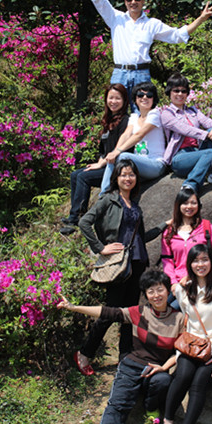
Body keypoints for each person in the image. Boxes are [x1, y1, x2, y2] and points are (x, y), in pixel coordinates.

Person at [58, 270, 185, 424]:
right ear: (145, 295)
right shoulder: (139, 312)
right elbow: (108, 312)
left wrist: (164, 367)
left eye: (160, 290)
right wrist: (73, 307)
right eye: (151, 291)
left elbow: (180, 351)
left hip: (155, 370)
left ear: (168, 291)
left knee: (163, 381)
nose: (156, 295)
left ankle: (150, 405)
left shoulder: (179, 318)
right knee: (118, 405)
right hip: (132, 365)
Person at [91, 0, 212, 110]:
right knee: (115, 114)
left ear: (143, 1)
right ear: (125, 1)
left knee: (143, 115)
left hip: (141, 75)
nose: (133, 2)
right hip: (119, 73)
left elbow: (177, 35)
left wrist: (201, 19)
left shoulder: (152, 24)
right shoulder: (116, 18)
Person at [75, 159, 160, 376]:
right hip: (119, 265)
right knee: (110, 312)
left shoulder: (135, 205)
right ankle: (85, 352)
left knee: (130, 314)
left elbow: (140, 237)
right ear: (116, 178)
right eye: (124, 174)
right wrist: (101, 248)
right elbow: (85, 222)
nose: (128, 178)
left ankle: (125, 359)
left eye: (131, 174)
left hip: (137, 263)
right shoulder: (108, 200)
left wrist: (163, 226)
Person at [163, 244, 212, 424]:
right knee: (183, 375)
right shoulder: (183, 290)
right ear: (189, 264)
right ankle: (168, 419)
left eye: (204, 260)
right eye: (195, 261)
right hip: (190, 345)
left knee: (199, 382)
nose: (200, 264)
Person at [60, 83, 129, 235]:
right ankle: (75, 214)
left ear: (124, 100)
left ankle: (76, 219)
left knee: (84, 177)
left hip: (117, 167)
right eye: (111, 98)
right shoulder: (108, 120)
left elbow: (118, 149)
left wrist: (100, 164)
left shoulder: (125, 121)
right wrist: (99, 162)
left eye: (118, 98)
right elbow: (104, 150)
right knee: (75, 175)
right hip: (106, 164)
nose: (113, 101)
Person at [160, 72, 212, 192]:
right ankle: (190, 184)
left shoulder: (193, 111)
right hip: (180, 157)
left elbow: (208, 122)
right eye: (176, 90)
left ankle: (211, 173)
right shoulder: (167, 114)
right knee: (211, 152)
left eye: (183, 91)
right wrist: (207, 134)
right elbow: (185, 129)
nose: (180, 94)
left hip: (198, 152)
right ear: (169, 92)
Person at [100, 81, 167, 192]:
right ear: (135, 99)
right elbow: (126, 134)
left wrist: (118, 152)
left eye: (149, 95)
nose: (144, 98)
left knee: (123, 156)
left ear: (154, 99)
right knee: (116, 157)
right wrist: (114, 152)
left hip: (155, 164)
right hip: (138, 165)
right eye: (140, 95)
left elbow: (139, 135)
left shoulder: (154, 114)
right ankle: (105, 194)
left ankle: (103, 194)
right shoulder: (134, 117)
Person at [161, 187, 212, 288]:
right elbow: (167, 260)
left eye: (193, 203)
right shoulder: (169, 231)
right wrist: (173, 283)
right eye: (185, 203)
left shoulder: (206, 226)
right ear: (178, 205)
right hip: (180, 283)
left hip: (205, 280)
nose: (189, 206)